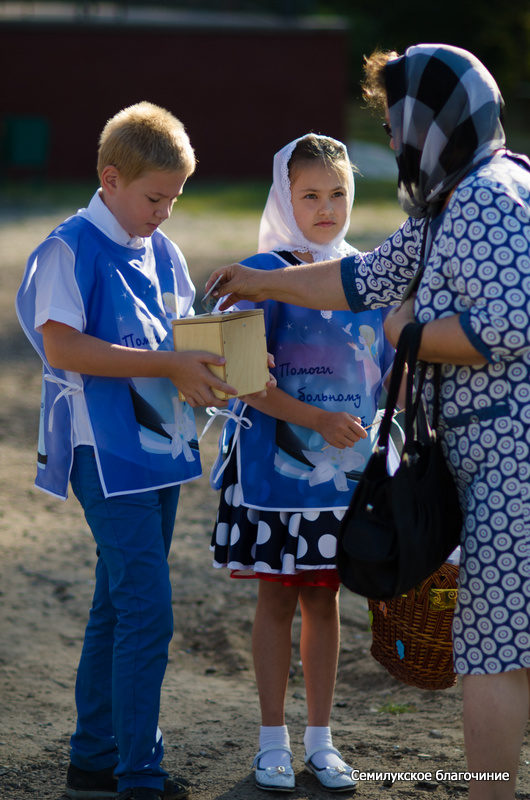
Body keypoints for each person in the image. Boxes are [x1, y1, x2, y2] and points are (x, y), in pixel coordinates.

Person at [206, 45, 530, 799]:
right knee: (496, 647)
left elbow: (511, 323)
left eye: (394, 124)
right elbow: (363, 278)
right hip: (484, 458)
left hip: (513, 455)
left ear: (429, 120)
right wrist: (261, 276)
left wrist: (405, 334)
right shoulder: (453, 197)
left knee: (498, 649)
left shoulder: (484, 196)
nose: (390, 141)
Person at [15, 102, 244, 800]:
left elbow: (178, 337)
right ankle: (138, 775)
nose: (166, 212)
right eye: (155, 197)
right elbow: (62, 346)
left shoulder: (161, 249)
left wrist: (216, 364)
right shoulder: (71, 245)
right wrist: (171, 367)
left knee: (118, 604)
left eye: (175, 198)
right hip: (101, 454)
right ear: (111, 180)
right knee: (149, 609)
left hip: (157, 450)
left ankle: (93, 759)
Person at [209, 133, 397, 793]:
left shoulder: (370, 274)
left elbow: (391, 372)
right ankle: (271, 743)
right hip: (275, 478)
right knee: (276, 599)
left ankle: (321, 741)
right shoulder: (259, 272)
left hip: (346, 483)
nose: (327, 206)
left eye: (339, 192)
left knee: (326, 601)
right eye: (310, 194)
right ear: (284, 197)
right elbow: (242, 382)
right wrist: (316, 419)